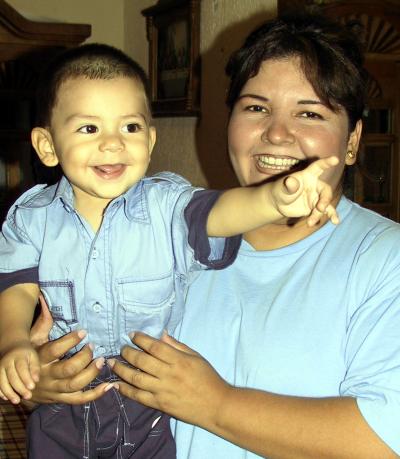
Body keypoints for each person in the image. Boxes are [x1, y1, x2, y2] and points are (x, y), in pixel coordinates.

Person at [24, 11, 400, 458]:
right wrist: (45, 384)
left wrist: (214, 404)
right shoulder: (166, 230)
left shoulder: (382, 258)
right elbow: (97, 374)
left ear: (353, 140)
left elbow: (382, 441)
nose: (277, 134)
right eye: (256, 108)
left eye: (310, 113)